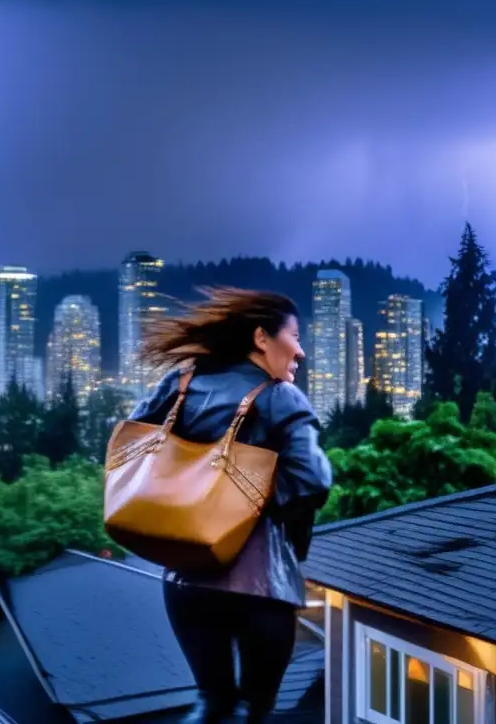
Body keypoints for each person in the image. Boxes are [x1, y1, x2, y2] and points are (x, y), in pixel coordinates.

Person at [129, 287, 332, 724]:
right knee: (253, 712)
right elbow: (313, 479)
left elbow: (133, 447)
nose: (299, 351)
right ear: (262, 337)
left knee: (211, 703)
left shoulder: (182, 382)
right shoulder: (280, 396)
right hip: (259, 587)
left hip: (184, 582)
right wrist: (245, 504)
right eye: (295, 336)